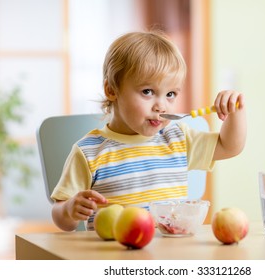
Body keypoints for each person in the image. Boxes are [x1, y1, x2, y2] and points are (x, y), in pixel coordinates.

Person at [51, 31, 247, 232]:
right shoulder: (89, 152)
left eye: (170, 94)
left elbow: (229, 146)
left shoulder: (177, 138)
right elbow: (60, 216)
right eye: (148, 92)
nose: (161, 106)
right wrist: (68, 210)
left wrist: (236, 110)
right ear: (112, 90)